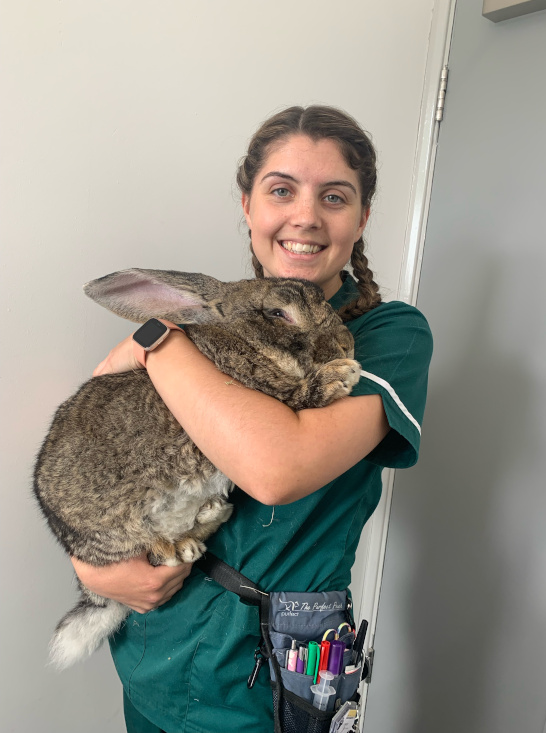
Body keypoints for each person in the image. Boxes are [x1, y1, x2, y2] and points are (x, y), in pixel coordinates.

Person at [71, 105, 432, 733]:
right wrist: (93, 563)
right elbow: (96, 440)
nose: (306, 216)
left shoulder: (389, 334)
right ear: (248, 205)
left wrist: (159, 341)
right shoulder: (214, 315)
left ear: (362, 217)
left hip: (271, 678)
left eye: (335, 196)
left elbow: (276, 468)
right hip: (156, 644)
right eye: (281, 190)